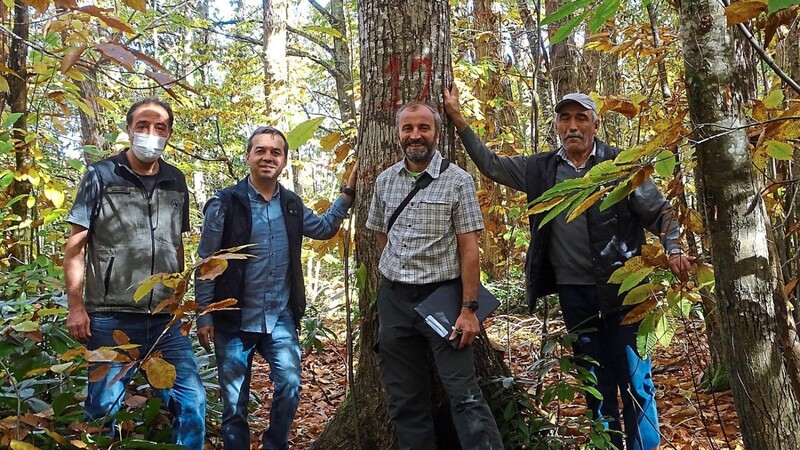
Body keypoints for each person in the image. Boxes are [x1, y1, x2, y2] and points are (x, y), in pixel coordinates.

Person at [444, 86, 694, 450]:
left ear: (595, 124)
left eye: (581, 118)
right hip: (574, 294)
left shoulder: (619, 166)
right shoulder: (541, 169)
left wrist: (674, 249)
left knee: (636, 382)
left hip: (625, 291)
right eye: (565, 118)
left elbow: (660, 212)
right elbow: (492, 165)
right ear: (557, 126)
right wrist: (458, 118)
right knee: (595, 381)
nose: (573, 125)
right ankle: (607, 444)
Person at [195, 125, 356, 450]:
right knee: (234, 407)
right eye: (261, 150)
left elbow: (324, 229)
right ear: (248, 157)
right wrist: (204, 314)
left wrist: (347, 194)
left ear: (283, 161)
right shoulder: (225, 203)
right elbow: (207, 262)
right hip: (233, 320)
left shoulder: (292, 204)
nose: (268, 157)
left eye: (275, 152)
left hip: (280, 318)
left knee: (290, 384)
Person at [64, 97, 206, 448]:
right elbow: (75, 246)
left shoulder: (176, 179)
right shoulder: (101, 175)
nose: (151, 134)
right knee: (103, 409)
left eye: (160, 127)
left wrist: (178, 299)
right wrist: (76, 306)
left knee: (192, 402)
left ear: (169, 134)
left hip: (164, 319)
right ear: (129, 129)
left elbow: (176, 243)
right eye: (143, 126)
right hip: (111, 317)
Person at [366, 101, 504, 450]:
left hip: (443, 299)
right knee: (404, 399)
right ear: (398, 134)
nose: (415, 135)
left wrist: (469, 309)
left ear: (436, 133)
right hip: (395, 300)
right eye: (408, 128)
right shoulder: (385, 182)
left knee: (464, 394)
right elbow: (381, 236)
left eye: (423, 128)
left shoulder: (458, 181)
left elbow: (469, 248)